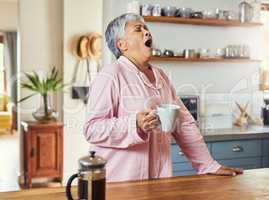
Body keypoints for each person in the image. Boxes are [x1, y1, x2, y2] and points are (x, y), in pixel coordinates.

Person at [84, 13, 243, 182]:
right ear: (121, 44)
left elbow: (184, 123)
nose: (147, 32)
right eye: (138, 29)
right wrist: (134, 123)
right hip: (120, 183)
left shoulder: (161, 76)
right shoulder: (110, 76)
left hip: (159, 181)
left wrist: (209, 165)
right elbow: (92, 129)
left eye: (146, 28)